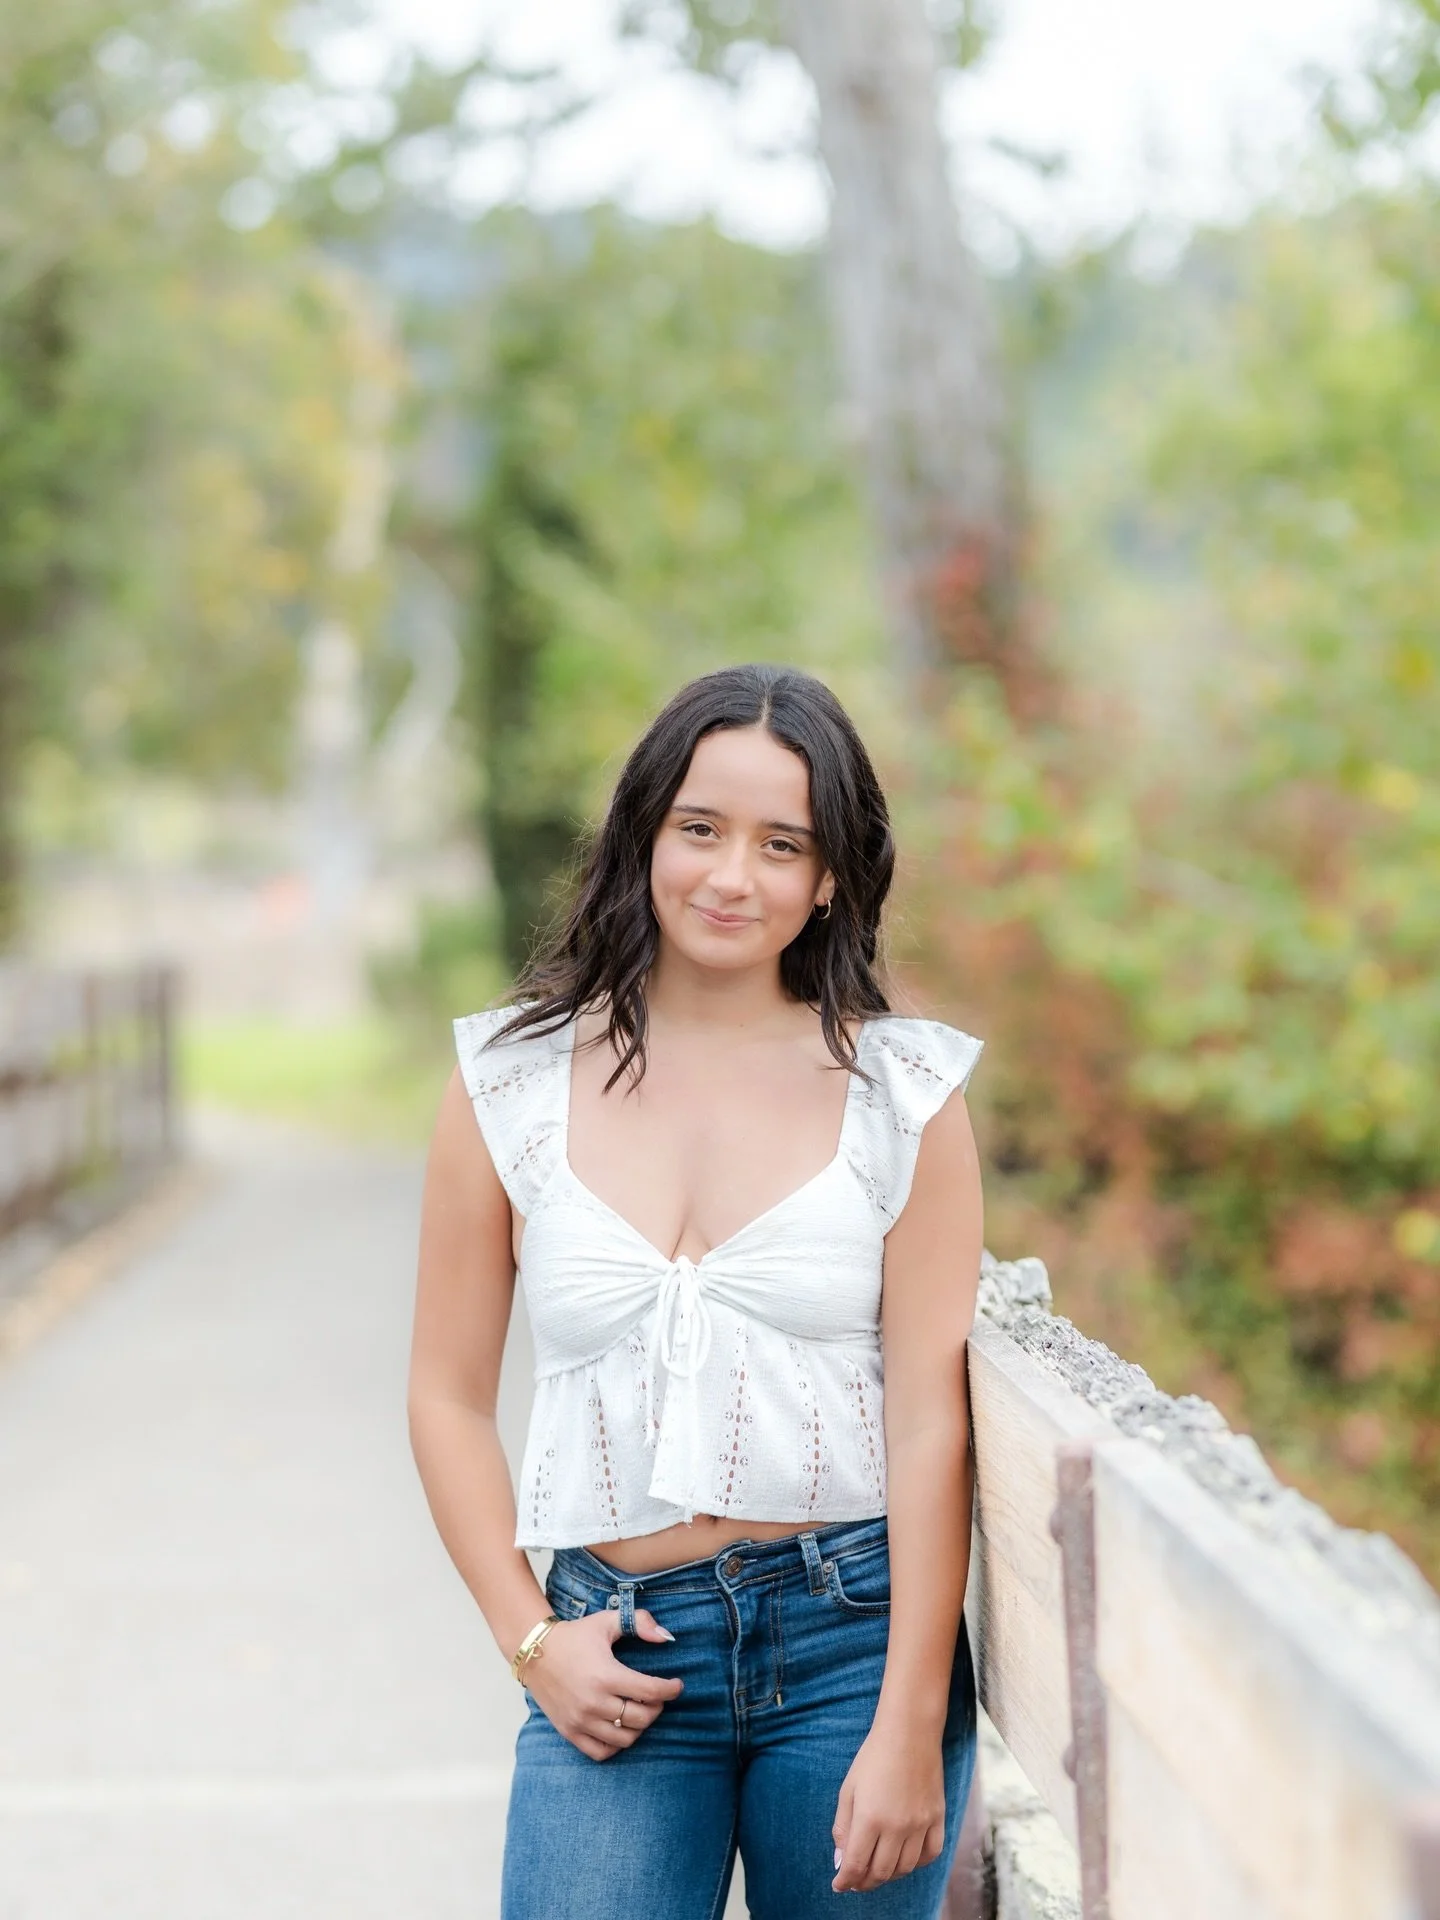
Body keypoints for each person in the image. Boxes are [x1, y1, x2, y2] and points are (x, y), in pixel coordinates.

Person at [409, 663, 985, 1918]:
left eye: (784, 844)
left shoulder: (906, 1097)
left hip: (854, 1649)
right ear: (645, 834)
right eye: (701, 829)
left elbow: (934, 1423)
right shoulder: (507, 1082)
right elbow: (447, 1398)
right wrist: (530, 1641)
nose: (733, 877)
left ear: (832, 877)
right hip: (615, 1652)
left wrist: (911, 1718)